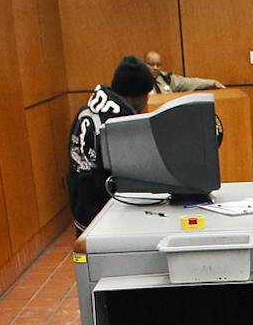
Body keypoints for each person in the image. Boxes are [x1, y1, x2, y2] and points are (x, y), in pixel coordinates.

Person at [68, 55, 155, 229]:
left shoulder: (85, 111)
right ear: (135, 95)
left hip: (82, 211)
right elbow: (132, 177)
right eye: (146, 94)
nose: (147, 101)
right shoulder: (121, 124)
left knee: (86, 256)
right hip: (107, 218)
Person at [144, 50, 224, 93]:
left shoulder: (167, 79)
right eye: (151, 64)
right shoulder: (138, 81)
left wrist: (212, 83)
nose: (155, 68)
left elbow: (189, 82)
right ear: (144, 64)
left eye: (158, 65)